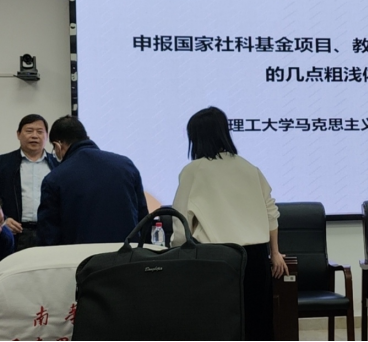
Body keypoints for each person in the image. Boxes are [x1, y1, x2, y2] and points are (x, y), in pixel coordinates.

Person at [171, 106, 288, 342]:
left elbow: (181, 223)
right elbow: (271, 213)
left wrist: (176, 251)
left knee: (219, 326)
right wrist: (275, 252)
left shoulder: (193, 171)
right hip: (256, 259)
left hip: (216, 261)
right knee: (256, 325)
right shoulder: (249, 168)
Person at [36, 115, 148, 245]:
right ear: (87, 137)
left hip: (80, 256)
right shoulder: (126, 165)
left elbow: (49, 237)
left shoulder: (54, 179)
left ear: (58, 145)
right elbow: (144, 219)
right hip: (126, 254)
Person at [0, 114, 58, 251]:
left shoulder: (58, 165)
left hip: (49, 234)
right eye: (29, 131)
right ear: (18, 134)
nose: (34, 136)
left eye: (40, 131)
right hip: (15, 233)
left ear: (47, 136)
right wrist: (4, 220)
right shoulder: (3, 163)